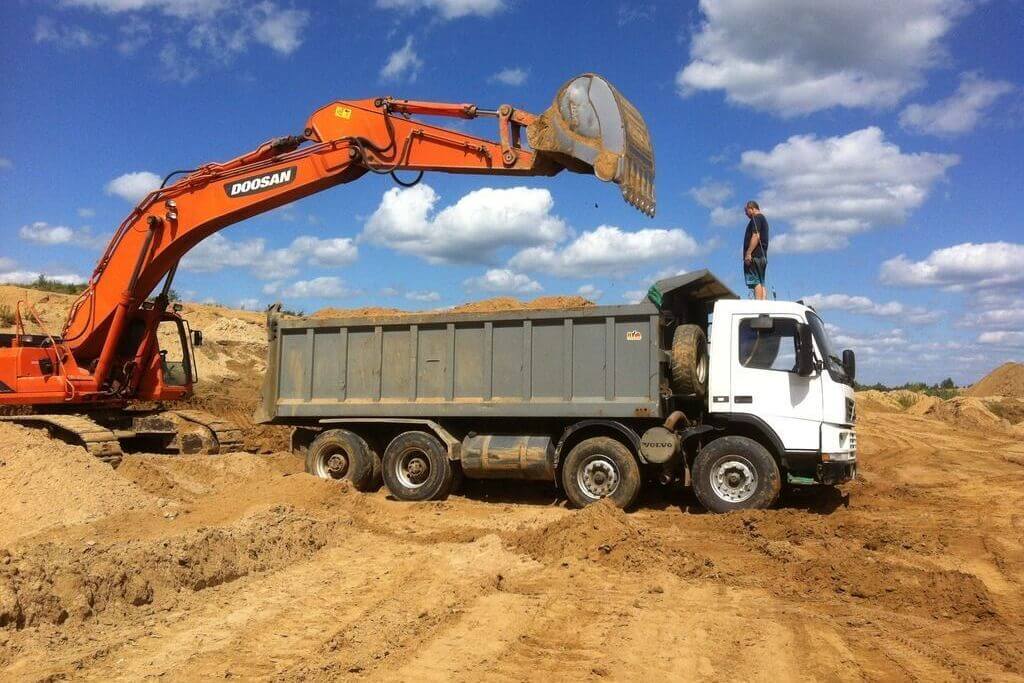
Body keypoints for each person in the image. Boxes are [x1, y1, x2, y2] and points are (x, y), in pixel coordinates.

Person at [743, 200, 769, 300]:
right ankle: (763, 306)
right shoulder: (763, 219)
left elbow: (756, 235)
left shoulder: (756, 218)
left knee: (756, 282)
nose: (746, 214)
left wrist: (748, 253)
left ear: (752, 208)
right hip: (762, 256)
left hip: (755, 256)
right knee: (762, 282)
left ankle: (758, 305)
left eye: (746, 211)